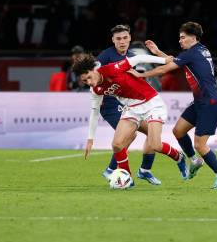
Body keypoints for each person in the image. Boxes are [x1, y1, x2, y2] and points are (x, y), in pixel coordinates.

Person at [129, 22, 217, 190]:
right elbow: (177, 62)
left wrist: (141, 75)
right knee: (178, 131)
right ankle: (195, 161)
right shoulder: (200, 50)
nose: (180, 41)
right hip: (200, 102)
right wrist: (158, 53)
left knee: (200, 145)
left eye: (183, 37)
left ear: (193, 37)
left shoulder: (192, 53)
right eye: (179, 38)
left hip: (210, 103)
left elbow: (164, 69)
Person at [72, 53, 187, 188]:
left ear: (93, 70)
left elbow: (138, 58)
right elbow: (95, 111)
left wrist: (164, 60)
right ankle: (127, 179)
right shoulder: (96, 89)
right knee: (117, 144)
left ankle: (179, 157)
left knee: (155, 144)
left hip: (151, 102)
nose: (89, 83)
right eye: (85, 81)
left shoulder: (112, 69)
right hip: (131, 108)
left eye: (89, 78)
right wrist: (90, 139)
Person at [95, 25, 161, 184]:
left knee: (152, 131)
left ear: (130, 38)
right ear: (113, 40)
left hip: (129, 104)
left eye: (125, 38)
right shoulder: (105, 57)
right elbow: (94, 79)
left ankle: (145, 171)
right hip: (109, 104)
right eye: (118, 39)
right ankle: (111, 170)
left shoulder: (131, 57)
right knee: (130, 134)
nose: (122, 41)